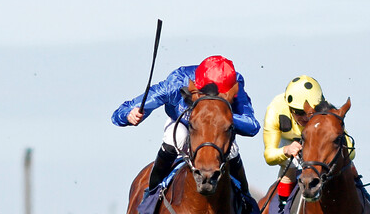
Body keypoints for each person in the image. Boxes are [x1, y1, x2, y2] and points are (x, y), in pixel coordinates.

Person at [111, 55, 260, 204]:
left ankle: (246, 202)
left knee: (232, 149)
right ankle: (150, 199)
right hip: (182, 123)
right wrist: (128, 116)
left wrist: (222, 117)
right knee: (177, 138)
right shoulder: (177, 82)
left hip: (216, 130)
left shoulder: (235, 83)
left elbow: (252, 126)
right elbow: (121, 112)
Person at [262, 75, 356, 208]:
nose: (306, 117)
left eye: (311, 112)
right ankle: (282, 208)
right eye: (300, 112)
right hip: (287, 140)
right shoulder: (275, 109)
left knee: (340, 155)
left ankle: (360, 191)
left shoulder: (327, 110)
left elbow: (351, 152)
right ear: (290, 109)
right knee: (291, 164)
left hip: (313, 140)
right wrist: (286, 150)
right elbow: (269, 155)